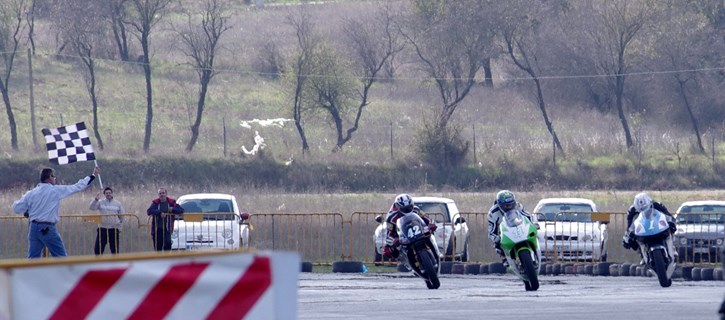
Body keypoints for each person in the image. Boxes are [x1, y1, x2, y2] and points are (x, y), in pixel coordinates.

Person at [12, 166, 100, 259]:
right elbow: (77, 187)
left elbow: (16, 208)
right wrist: (93, 175)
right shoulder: (55, 190)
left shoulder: (31, 193)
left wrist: (28, 211)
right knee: (61, 258)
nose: (55, 178)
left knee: (33, 260)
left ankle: (30, 274)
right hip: (47, 228)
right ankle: (65, 273)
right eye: (53, 176)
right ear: (49, 177)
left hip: (33, 228)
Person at [487, 190, 537, 267]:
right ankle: (504, 258)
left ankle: (535, 252)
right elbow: (491, 230)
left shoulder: (518, 206)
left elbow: (528, 216)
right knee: (497, 244)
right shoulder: (493, 213)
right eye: (507, 205)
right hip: (503, 231)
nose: (510, 207)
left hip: (519, 227)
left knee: (535, 234)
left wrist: (534, 224)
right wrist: (495, 238)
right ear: (500, 204)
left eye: (511, 204)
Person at [622, 192, 677, 260]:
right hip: (643, 231)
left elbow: (669, 216)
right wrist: (627, 238)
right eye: (641, 209)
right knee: (633, 241)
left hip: (657, 227)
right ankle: (643, 255)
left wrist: (672, 222)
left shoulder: (657, 204)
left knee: (671, 229)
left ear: (649, 202)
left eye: (645, 208)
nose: (644, 210)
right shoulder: (631, 211)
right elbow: (629, 226)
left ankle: (673, 248)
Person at [382, 194, 436, 259]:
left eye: (409, 207)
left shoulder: (416, 210)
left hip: (419, 231)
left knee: (431, 234)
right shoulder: (391, 218)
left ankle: (436, 251)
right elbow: (388, 234)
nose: (407, 210)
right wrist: (394, 240)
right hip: (403, 237)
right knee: (388, 250)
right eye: (404, 209)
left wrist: (431, 224)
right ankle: (404, 260)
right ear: (398, 207)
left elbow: (427, 218)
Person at [89, 187, 124, 255]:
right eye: (106, 193)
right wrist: (95, 199)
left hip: (113, 229)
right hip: (102, 228)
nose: (108, 194)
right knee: (98, 249)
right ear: (104, 194)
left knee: (115, 250)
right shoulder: (100, 202)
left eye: (109, 193)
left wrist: (119, 228)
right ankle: (98, 263)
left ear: (112, 193)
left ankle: (115, 263)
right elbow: (91, 208)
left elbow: (122, 216)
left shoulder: (118, 203)